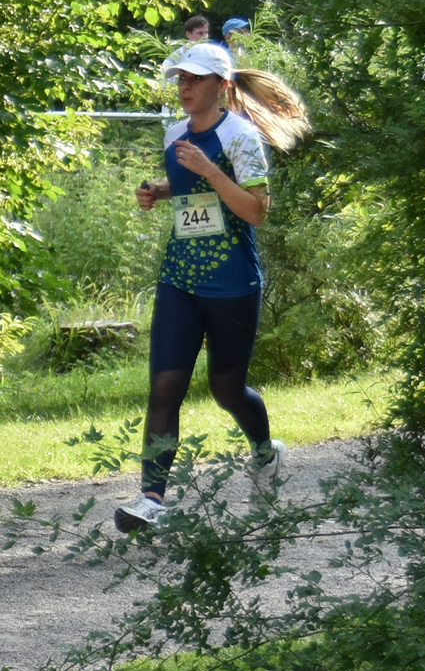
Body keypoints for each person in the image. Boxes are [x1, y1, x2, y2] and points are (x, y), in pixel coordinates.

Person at [114, 40, 311, 534]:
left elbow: (255, 211)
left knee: (226, 388)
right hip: (180, 276)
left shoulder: (242, 138)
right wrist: (157, 191)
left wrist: (210, 170)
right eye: (179, 78)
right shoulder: (174, 131)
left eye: (194, 79)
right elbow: (188, 189)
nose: (184, 87)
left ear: (220, 87)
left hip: (232, 281)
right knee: (164, 386)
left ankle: (266, 455)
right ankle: (152, 499)